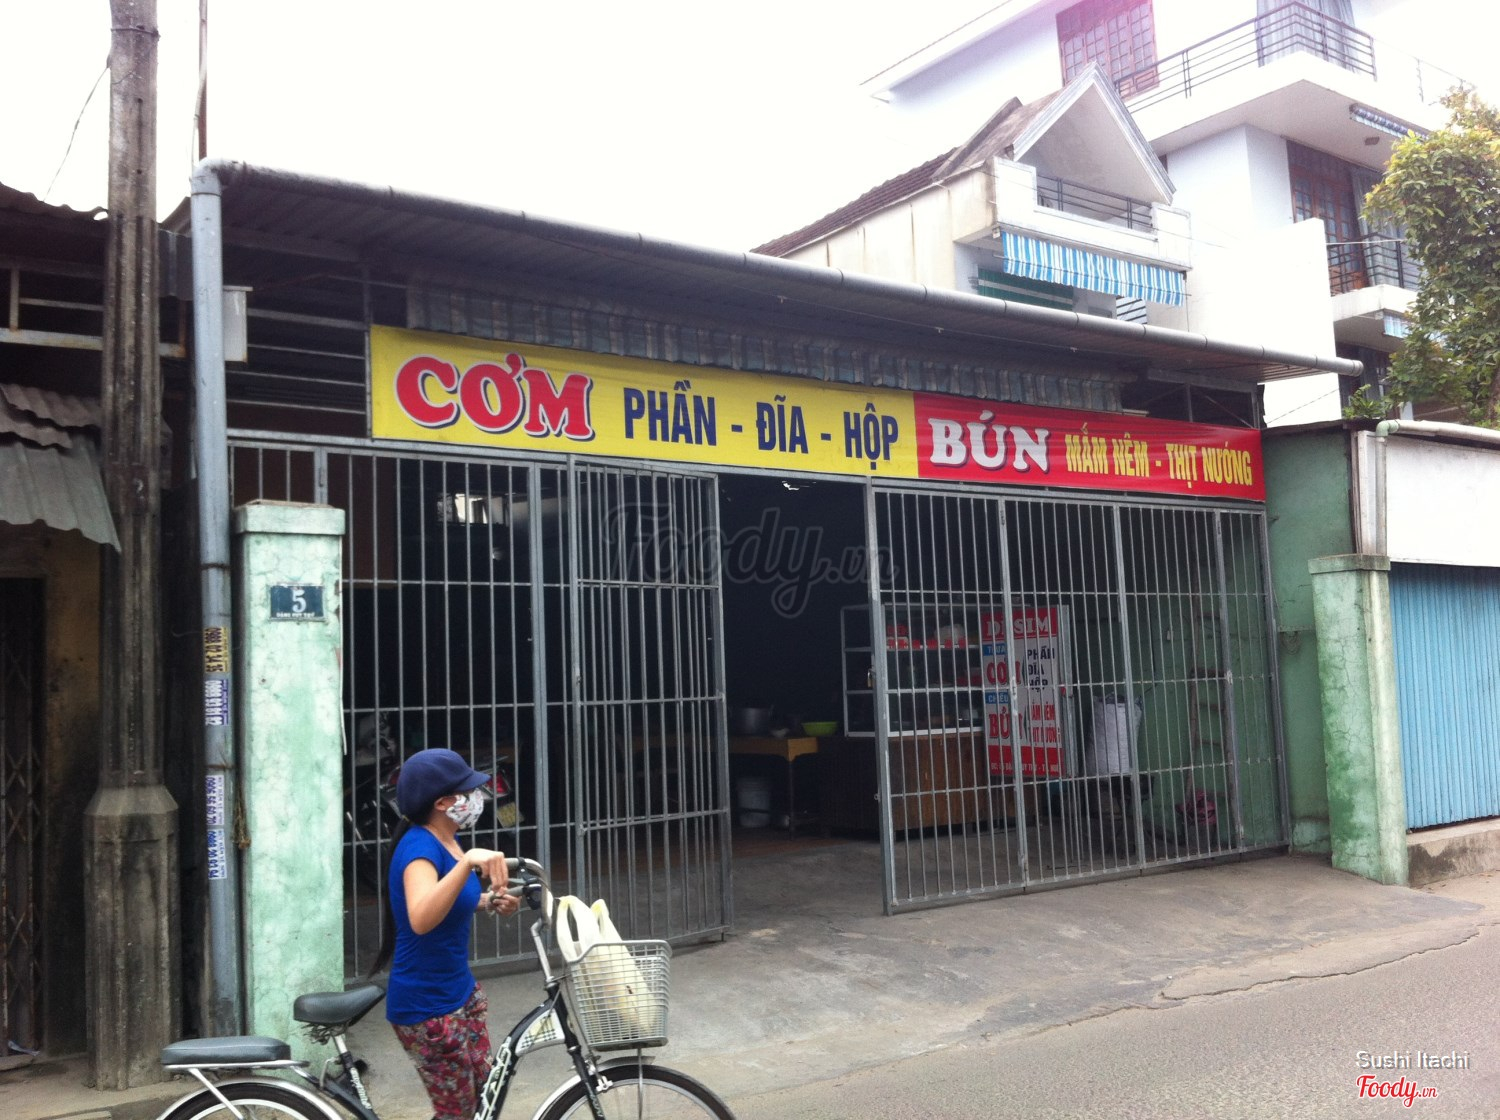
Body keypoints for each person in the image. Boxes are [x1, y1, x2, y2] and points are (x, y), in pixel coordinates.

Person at [369, 747, 521, 1120]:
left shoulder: (446, 839)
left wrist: (488, 901)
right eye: (468, 791)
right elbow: (421, 917)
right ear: (441, 802)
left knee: (484, 1100)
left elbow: (448, 899)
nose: (477, 797)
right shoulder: (419, 849)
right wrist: (467, 863)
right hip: (428, 1010)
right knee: (458, 1113)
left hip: (459, 994)